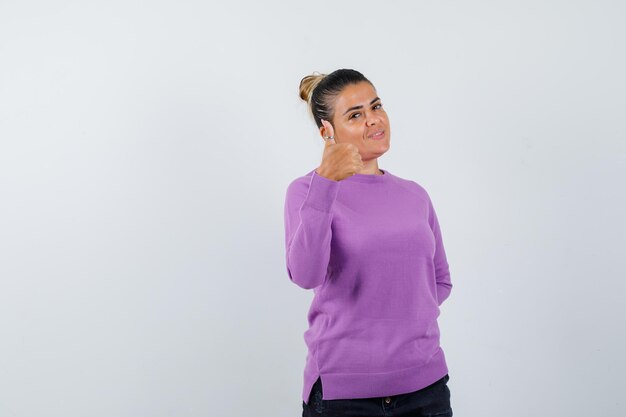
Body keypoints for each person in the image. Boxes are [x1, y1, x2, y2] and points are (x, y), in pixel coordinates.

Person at [284, 68, 454, 417]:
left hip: (425, 390)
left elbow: (440, 280)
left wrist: (400, 326)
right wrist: (326, 182)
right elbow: (305, 274)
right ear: (326, 132)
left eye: (376, 107)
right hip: (343, 396)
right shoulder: (307, 192)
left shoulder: (414, 194)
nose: (374, 120)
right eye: (356, 115)